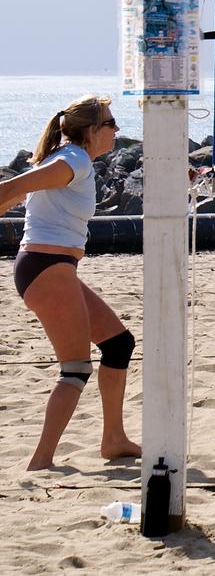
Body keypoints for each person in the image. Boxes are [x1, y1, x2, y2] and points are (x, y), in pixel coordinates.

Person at [0, 96, 141, 470]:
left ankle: (113, 439)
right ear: (91, 130)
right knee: (76, 368)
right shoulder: (72, 160)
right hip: (46, 268)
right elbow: (7, 190)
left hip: (52, 266)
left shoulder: (73, 159)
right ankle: (40, 461)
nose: (117, 130)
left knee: (118, 343)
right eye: (111, 124)